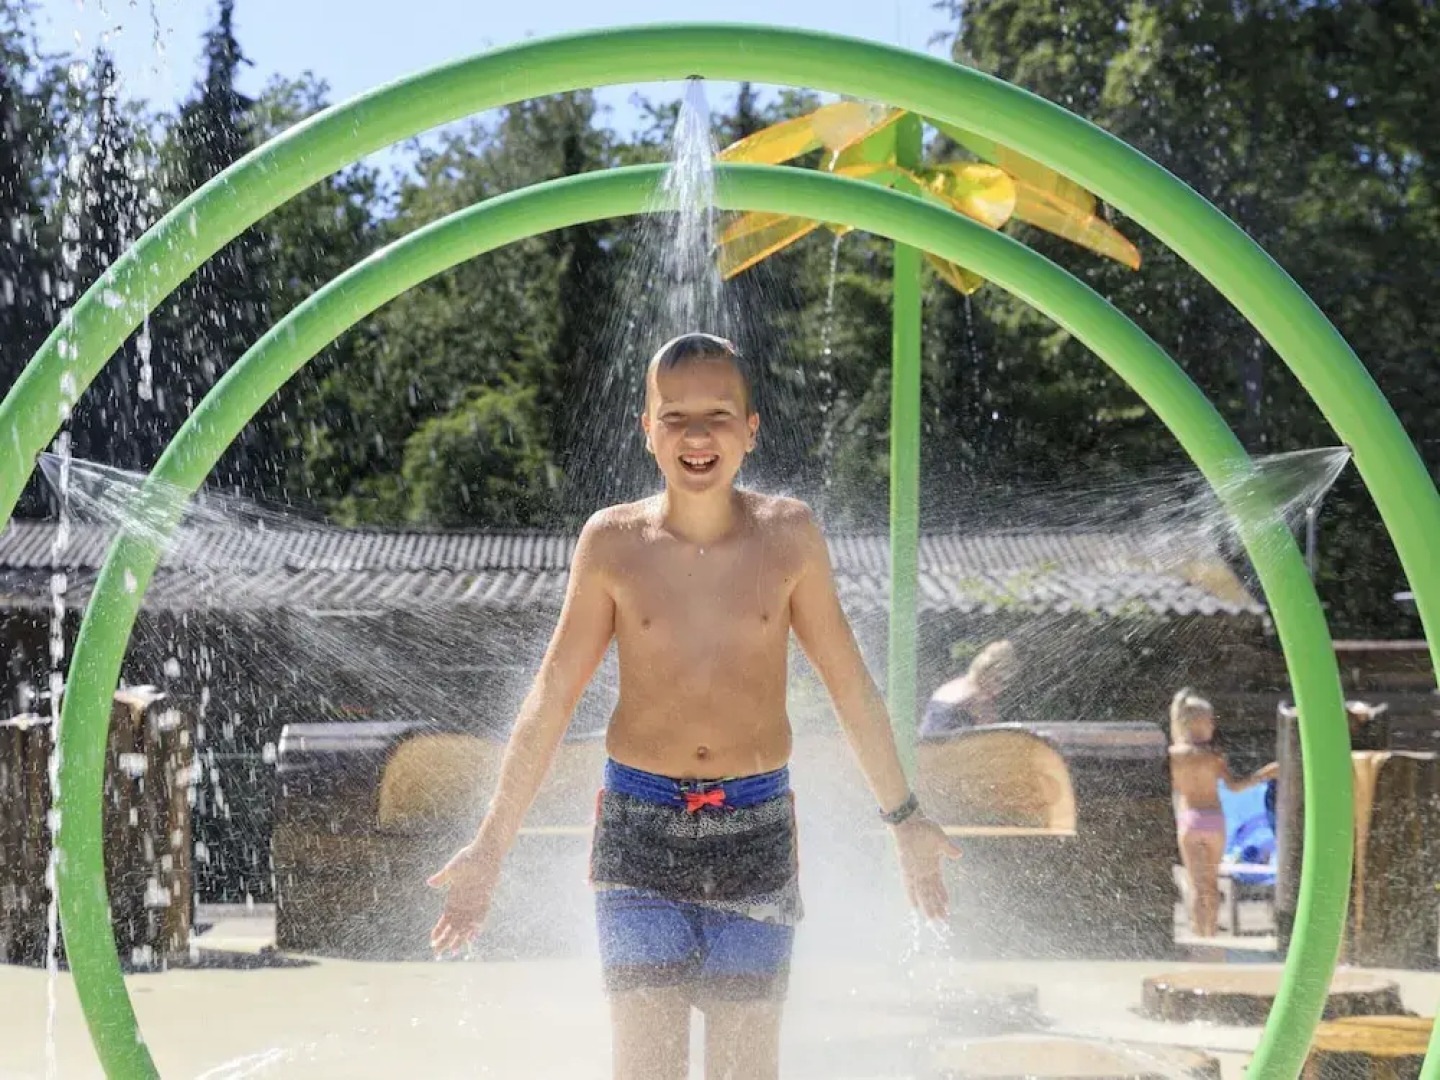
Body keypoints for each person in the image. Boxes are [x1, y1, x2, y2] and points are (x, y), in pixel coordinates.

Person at [427, 332, 960, 1080]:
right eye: (675, 416)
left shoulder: (789, 537)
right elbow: (550, 697)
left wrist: (903, 818)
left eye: (718, 414)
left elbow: (849, 684)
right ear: (647, 429)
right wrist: (489, 848)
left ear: (751, 429)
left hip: (755, 827)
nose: (698, 434)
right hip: (639, 830)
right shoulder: (612, 543)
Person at [1168, 688, 1277, 938]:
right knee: (1211, 883)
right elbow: (1235, 787)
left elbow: (1171, 789)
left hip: (1189, 821)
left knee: (1196, 885)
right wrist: (1263, 775)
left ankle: (1199, 934)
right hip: (1215, 821)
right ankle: (1213, 934)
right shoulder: (1214, 756)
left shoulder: (1173, 757)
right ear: (1201, 723)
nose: (1212, 726)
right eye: (1209, 720)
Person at [918, 639, 1016, 739]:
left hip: (924, 747)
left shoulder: (950, 687)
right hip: (948, 750)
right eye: (998, 680)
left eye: (1005, 683)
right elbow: (989, 741)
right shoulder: (979, 699)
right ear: (985, 672)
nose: (1000, 689)